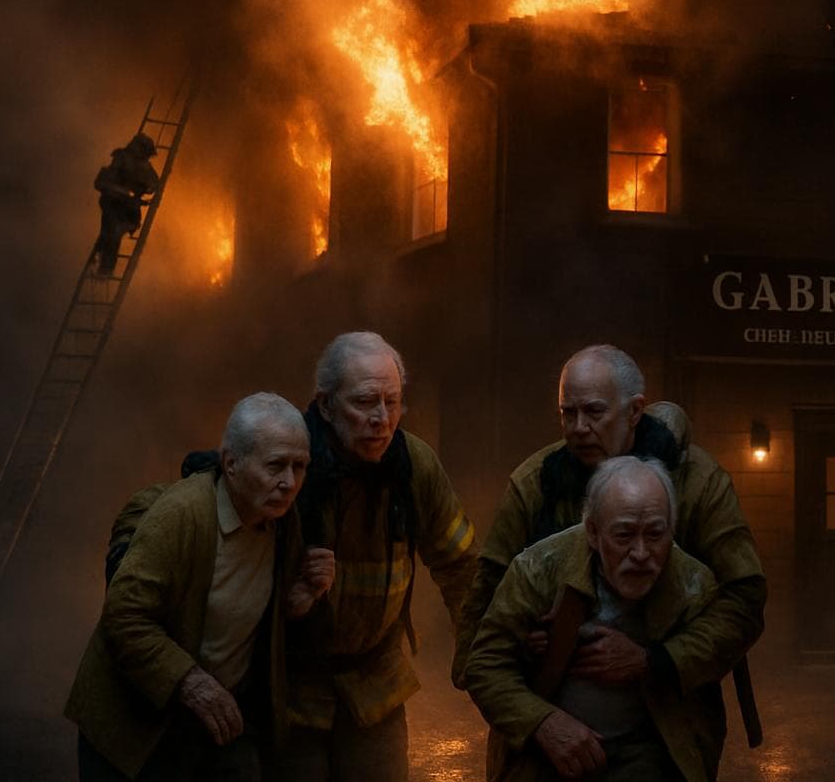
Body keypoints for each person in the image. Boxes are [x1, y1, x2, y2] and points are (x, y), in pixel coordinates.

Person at [454, 344, 765, 758]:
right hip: (548, 708)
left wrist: (658, 660)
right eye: (568, 413)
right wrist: (518, 647)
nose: (579, 427)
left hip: (665, 717)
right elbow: (486, 596)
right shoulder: (535, 484)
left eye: (595, 412)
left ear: (634, 411)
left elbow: (744, 598)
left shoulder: (697, 484)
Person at [65, 392, 329, 780]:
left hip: (216, 724)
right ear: (232, 464)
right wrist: (191, 682)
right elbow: (124, 617)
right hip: (135, 729)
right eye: (275, 466)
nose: (289, 483)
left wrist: (301, 601)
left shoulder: (282, 523)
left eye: (299, 467)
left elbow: (252, 615)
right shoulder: (181, 515)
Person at [282, 330, 481, 781]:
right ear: (326, 405)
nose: (381, 419)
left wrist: (478, 655)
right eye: (366, 402)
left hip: (377, 682)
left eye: (392, 402)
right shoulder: (288, 464)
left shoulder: (414, 466)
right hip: (293, 688)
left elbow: (461, 566)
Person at [466, 456, 727, 781]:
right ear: (592, 532)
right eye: (624, 535)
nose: (642, 553)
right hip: (549, 749)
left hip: (648, 752)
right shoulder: (539, 568)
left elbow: (718, 652)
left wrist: (651, 661)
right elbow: (483, 666)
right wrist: (543, 722)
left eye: (656, 534)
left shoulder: (693, 585)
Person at [92, 132, 160, 277]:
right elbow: (104, 182)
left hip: (127, 207)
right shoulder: (122, 158)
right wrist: (123, 192)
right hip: (113, 203)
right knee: (113, 232)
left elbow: (154, 183)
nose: (147, 158)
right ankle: (104, 266)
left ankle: (103, 261)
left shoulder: (143, 165)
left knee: (116, 231)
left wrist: (142, 191)